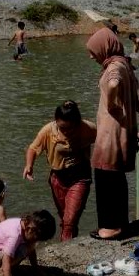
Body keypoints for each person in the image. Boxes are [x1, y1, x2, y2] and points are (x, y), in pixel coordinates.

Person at [85, 27, 139, 241]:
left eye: (93, 51)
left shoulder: (114, 66)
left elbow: (114, 82)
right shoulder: (123, 62)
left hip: (111, 132)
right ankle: (120, 224)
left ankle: (109, 227)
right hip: (121, 128)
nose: (92, 56)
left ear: (104, 47)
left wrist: (111, 102)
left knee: (106, 177)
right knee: (116, 178)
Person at [23, 100, 96, 241]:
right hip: (58, 178)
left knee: (70, 220)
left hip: (80, 177)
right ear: (56, 121)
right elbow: (33, 148)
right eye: (62, 128)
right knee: (64, 218)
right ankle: (69, 243)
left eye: (70, 128)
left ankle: (65, 247)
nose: (66, 132)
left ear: (77, 122)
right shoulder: (49, 130)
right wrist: (29, 165)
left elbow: (108, 135)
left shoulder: (87, 127)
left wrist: (131, 134)